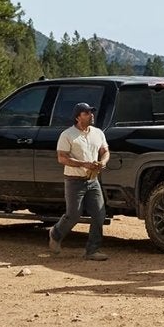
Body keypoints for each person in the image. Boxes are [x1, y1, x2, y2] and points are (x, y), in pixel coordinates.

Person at [49, 102, 110, 260]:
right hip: (74, 180)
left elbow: (105, 151)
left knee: (99, 214)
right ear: (77, 117)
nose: (91, 115)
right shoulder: (67, 135)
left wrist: (103, 162)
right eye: (86, 113)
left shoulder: (98, 133)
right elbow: (61, 157)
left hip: (92, 180)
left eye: (91, 112)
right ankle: (55, 233)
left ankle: (92, 250)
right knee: (74, 215)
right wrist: (83, 164)